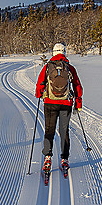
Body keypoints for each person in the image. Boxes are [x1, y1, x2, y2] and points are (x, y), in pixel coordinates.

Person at [35, 42, 83, 172]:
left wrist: (39, 93)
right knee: (64, 131)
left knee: (49, 130)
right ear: (64, 52)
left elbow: (40, 84)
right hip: (66, 103)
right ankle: (65, 159)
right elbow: (77, 85)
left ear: (54, 53)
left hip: (50, 103)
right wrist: (78, 102)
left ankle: (47, 159)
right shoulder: (70, 68)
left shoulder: (47, 67)